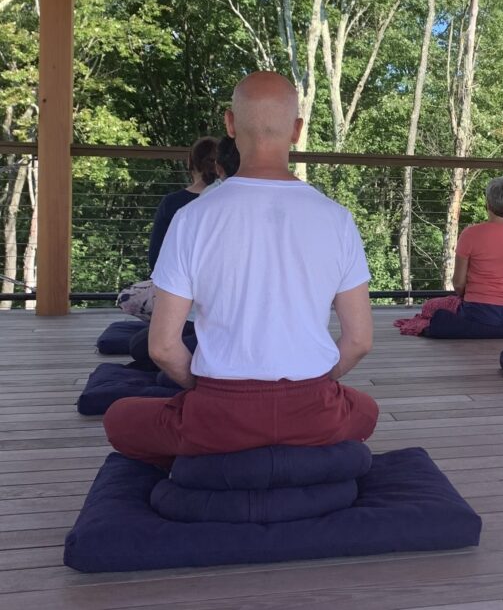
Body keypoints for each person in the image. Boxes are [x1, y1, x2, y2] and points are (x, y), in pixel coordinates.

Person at [104, 71, 378, 468]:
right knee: (365, 410)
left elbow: (162, 347)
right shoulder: (338, 219)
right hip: (311, 408)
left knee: (119, 418)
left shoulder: (191, 217)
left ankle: (212, 456)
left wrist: (201, 390)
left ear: (230, 125)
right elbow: (359, 341)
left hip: (220, 411)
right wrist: (313, 386)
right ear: (297, 130)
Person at [451, 176, 503, 327]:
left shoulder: (470, 234)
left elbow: (458, 284)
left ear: (488, 203)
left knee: (435, 306)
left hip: (478, 313)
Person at [147, 136, 218, 270]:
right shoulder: (231, 202)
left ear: (190, 163)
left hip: (177, 284)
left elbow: (155, 259)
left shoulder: (172, 203)